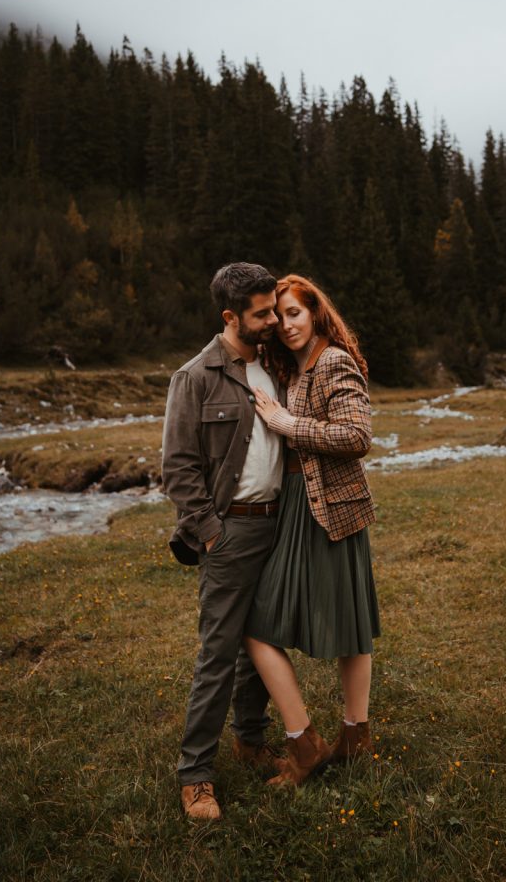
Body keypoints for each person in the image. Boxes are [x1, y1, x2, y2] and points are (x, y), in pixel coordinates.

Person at [244, 274, 380, 785]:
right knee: (264, 626)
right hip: (298, 505)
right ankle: (319, 741)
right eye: (278, 318)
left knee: (347, 622)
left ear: (315, 312)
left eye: (294, 313)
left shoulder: (333, 361)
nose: (286, 325)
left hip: (330, 509)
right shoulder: (294, 368)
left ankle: (346, 738)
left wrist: (287, 425)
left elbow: (356, 435)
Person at [162, 262, 285, 821]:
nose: (274, 320)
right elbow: (178, 469)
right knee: (218, 652)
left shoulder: (278, 364)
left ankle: (251, 739)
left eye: (274, 308)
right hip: (230, 531)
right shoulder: (196, 376)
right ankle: (196, 775)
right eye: (262, 314)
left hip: (278, 525)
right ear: (230, 316)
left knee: (263, 643)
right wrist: (210, 533)